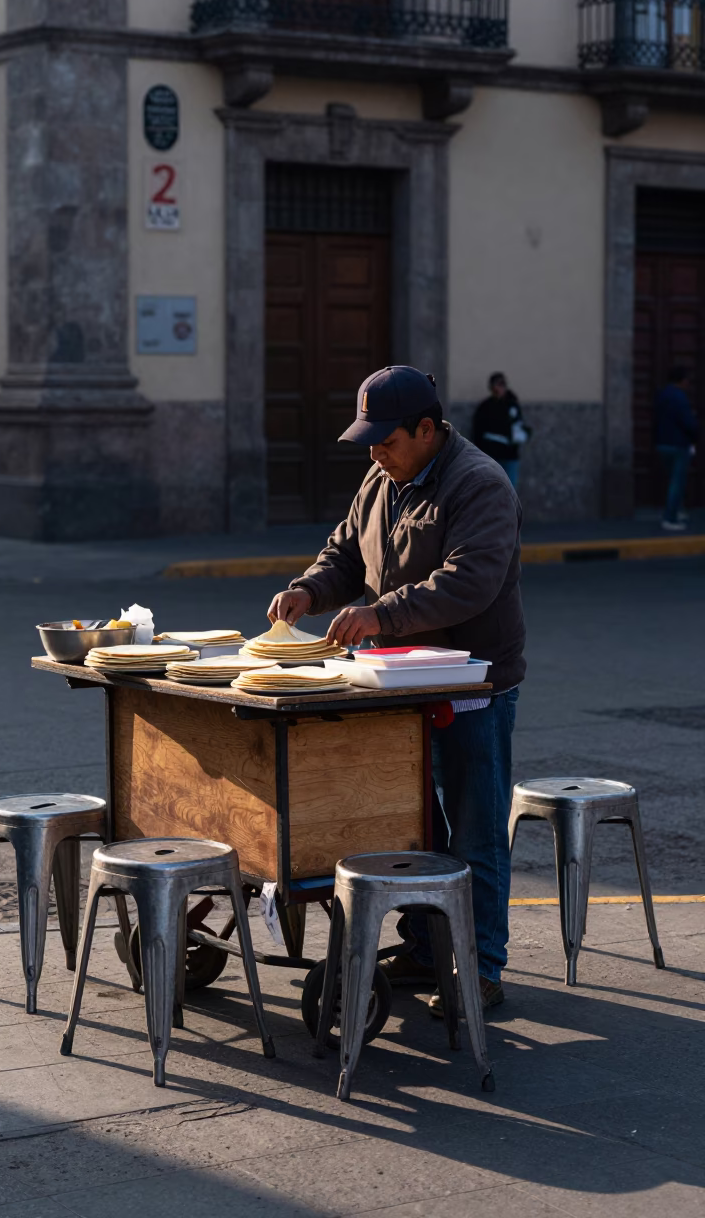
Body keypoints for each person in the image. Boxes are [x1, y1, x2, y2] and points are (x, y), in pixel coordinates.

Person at [267, 365, 525, 1013]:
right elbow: (345, 556)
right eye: (370, 443)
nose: (377, 454)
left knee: (475, 828)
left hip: (472, 683)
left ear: (428, 429)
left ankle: (482, 966)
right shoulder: (382, 477)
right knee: (409, 826)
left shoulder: (480, 484)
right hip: (393, 681)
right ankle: (424, 949)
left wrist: (382, 614)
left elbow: (469, 582)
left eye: (388, 441)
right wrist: (309, 589)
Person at [654, 366, 699, 532]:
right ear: (681, 381)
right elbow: (688, 423)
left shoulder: (661, 395)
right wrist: (695, 433)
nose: (688, 383)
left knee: (672, 480)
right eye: (687, 380)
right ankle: (670, 518)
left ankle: (677, 511)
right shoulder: (680, 398)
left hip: (662, 443)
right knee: (677, 483)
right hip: (678, 444)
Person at [472, 372, 529, 489]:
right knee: (490, 488)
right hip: (491, 456)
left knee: (509, 489)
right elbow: (478, 431)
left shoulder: (512, 405)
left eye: (503, 384)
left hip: (509, 456)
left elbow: (518, 426)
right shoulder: (485, 407)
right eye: (497, 384)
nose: (500, 388)